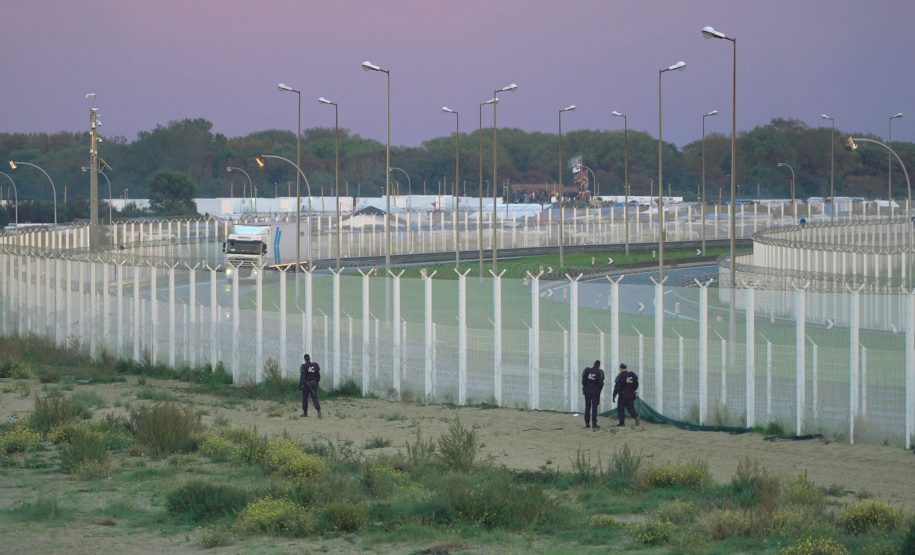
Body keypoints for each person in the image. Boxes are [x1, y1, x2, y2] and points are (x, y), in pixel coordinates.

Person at [581, 360, 604, 429]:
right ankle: (594, 423)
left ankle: (587, 423)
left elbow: (583, 381)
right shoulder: (600, 372)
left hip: (587, 390)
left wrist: (585, 388)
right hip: (595, 391)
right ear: (599, 366)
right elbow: (601, 383)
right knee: (594, 407)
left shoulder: (587, 370)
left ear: (593, 364)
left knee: (587, 407)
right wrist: (599, 390)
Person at [298, 354, 321, 418]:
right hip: (314, 383)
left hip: (307, 384)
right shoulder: (315, 365)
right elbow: (318, 376)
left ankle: (305, 413)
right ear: (309, 358)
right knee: (314, 397)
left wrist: (300, 385)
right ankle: (318, 410)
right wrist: (316, 382)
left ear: (304, 359)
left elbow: (303, 377)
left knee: (305, 398)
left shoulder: (304, 366)